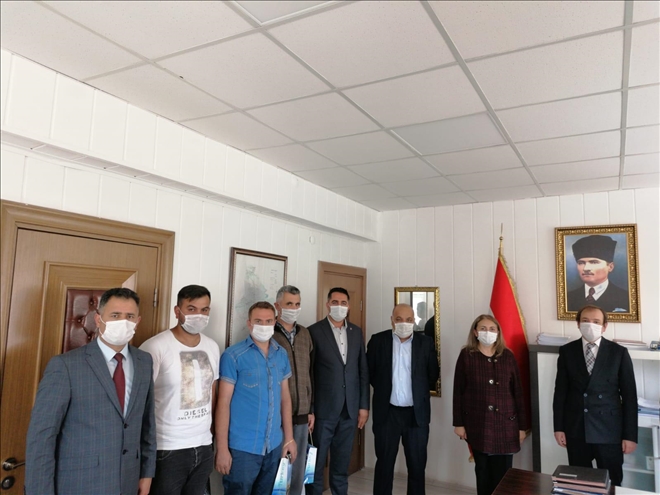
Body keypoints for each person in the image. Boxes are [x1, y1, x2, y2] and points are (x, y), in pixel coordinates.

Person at [25, 287, 156, 495]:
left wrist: (147, 474)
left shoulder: (144, 361)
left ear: (137, 321)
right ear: (98, 319)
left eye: (130, 316)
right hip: (80, 484)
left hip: (129, 482)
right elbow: (42, 437)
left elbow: (147, 424)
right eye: (115, 315)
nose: (123, 322)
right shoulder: (65, 366)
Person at [139, 285, 220, 495]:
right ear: (177, 311)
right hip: (167, 448)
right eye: (191, 309)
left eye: (204, 310)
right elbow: (140, 400)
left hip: (203, 444)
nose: (199, 315)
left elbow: (212, 391)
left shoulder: (212, 346)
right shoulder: (155, 347)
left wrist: (212, 434)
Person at [215, 301, 297, 495]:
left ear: (275, 322)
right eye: (258, 321)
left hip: (274, 446)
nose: (264, 325)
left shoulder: (281, 354)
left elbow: (285, 398)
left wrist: (289, 439)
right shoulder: (233, 356)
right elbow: (223, 403)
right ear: (249, 323)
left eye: (268, 321)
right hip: (242, 448)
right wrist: (222, 448)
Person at [552, 304, 638, 486]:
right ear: (578, 323)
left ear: (604, 326)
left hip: (609, 430)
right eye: (585, 320)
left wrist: (630, 435)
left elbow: (630, 397)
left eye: (596, 322)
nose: (590, 325)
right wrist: (558, 427)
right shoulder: (567, 352)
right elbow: (560, 393)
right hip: (576, 429)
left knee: (612, 482)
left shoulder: (618, 353)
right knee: (580, 483)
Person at [366, 304, 439, 495]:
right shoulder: (378, 341)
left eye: (408, 320)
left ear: (414, 321)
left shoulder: (425, 343)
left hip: (416, 415)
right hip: (387, 414)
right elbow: (370, 374)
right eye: (399, 319)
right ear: (392, 320)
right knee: (384, 465)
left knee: (417, 467)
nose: (404, 323)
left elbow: (433, 374)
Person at [452, 314, 528, 495]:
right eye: (483, 328)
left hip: (506, 425)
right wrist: (459, 423)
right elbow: (458, 391)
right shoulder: (467, 355)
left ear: (498, 332)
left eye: (492, 329)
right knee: (483, 473)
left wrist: (522, 427)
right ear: (475, 332)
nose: (488, 332)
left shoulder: (507, 356)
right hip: (479, 424)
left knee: (503, 476)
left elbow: (518, 393)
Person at [306, 287, 369, 495]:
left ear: (349, 306)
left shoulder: (356, 332)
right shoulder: (314, 331)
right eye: (335, 302)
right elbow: (309, 374)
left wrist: (363, 406)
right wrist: (310, 409)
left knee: (341, 465)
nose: (339, 306)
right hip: (323, 412)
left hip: (349, 411)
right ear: (327, 304)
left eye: (343, 303)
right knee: (315, 464)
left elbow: (362, 371)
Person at [272, 285, 314, 495]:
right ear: (277, 306)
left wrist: (311, 409)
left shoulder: (305, 334)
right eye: (289, 304)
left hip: (302, 414)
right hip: (277, 416)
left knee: (297, 472)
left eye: (297, 304)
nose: (294, 308)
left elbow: (310, 373)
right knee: (277, 473)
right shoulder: (269, 333)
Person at [566, 235, 629, 312]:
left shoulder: (625, 298)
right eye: (581, 263)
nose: (586, 268)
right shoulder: (568, 298)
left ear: (610, 267)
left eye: (594, 262)